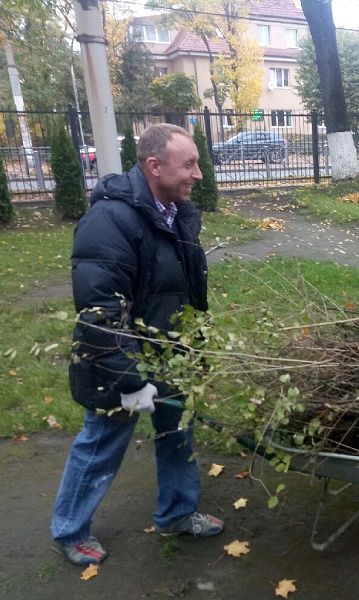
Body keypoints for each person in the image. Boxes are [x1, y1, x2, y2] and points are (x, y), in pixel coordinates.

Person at [51, 123, 223, 566]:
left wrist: (192, 347)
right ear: (154, 166)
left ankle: (178, 513)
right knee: (102, 440)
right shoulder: (110, 220)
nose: (198, 174)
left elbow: (181, 290)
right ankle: (70, 530)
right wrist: (129, 380)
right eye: (189, 164)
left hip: (169, 354)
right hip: (119, 359)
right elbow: (98, 311)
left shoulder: (173, 211)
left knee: (176, 432)